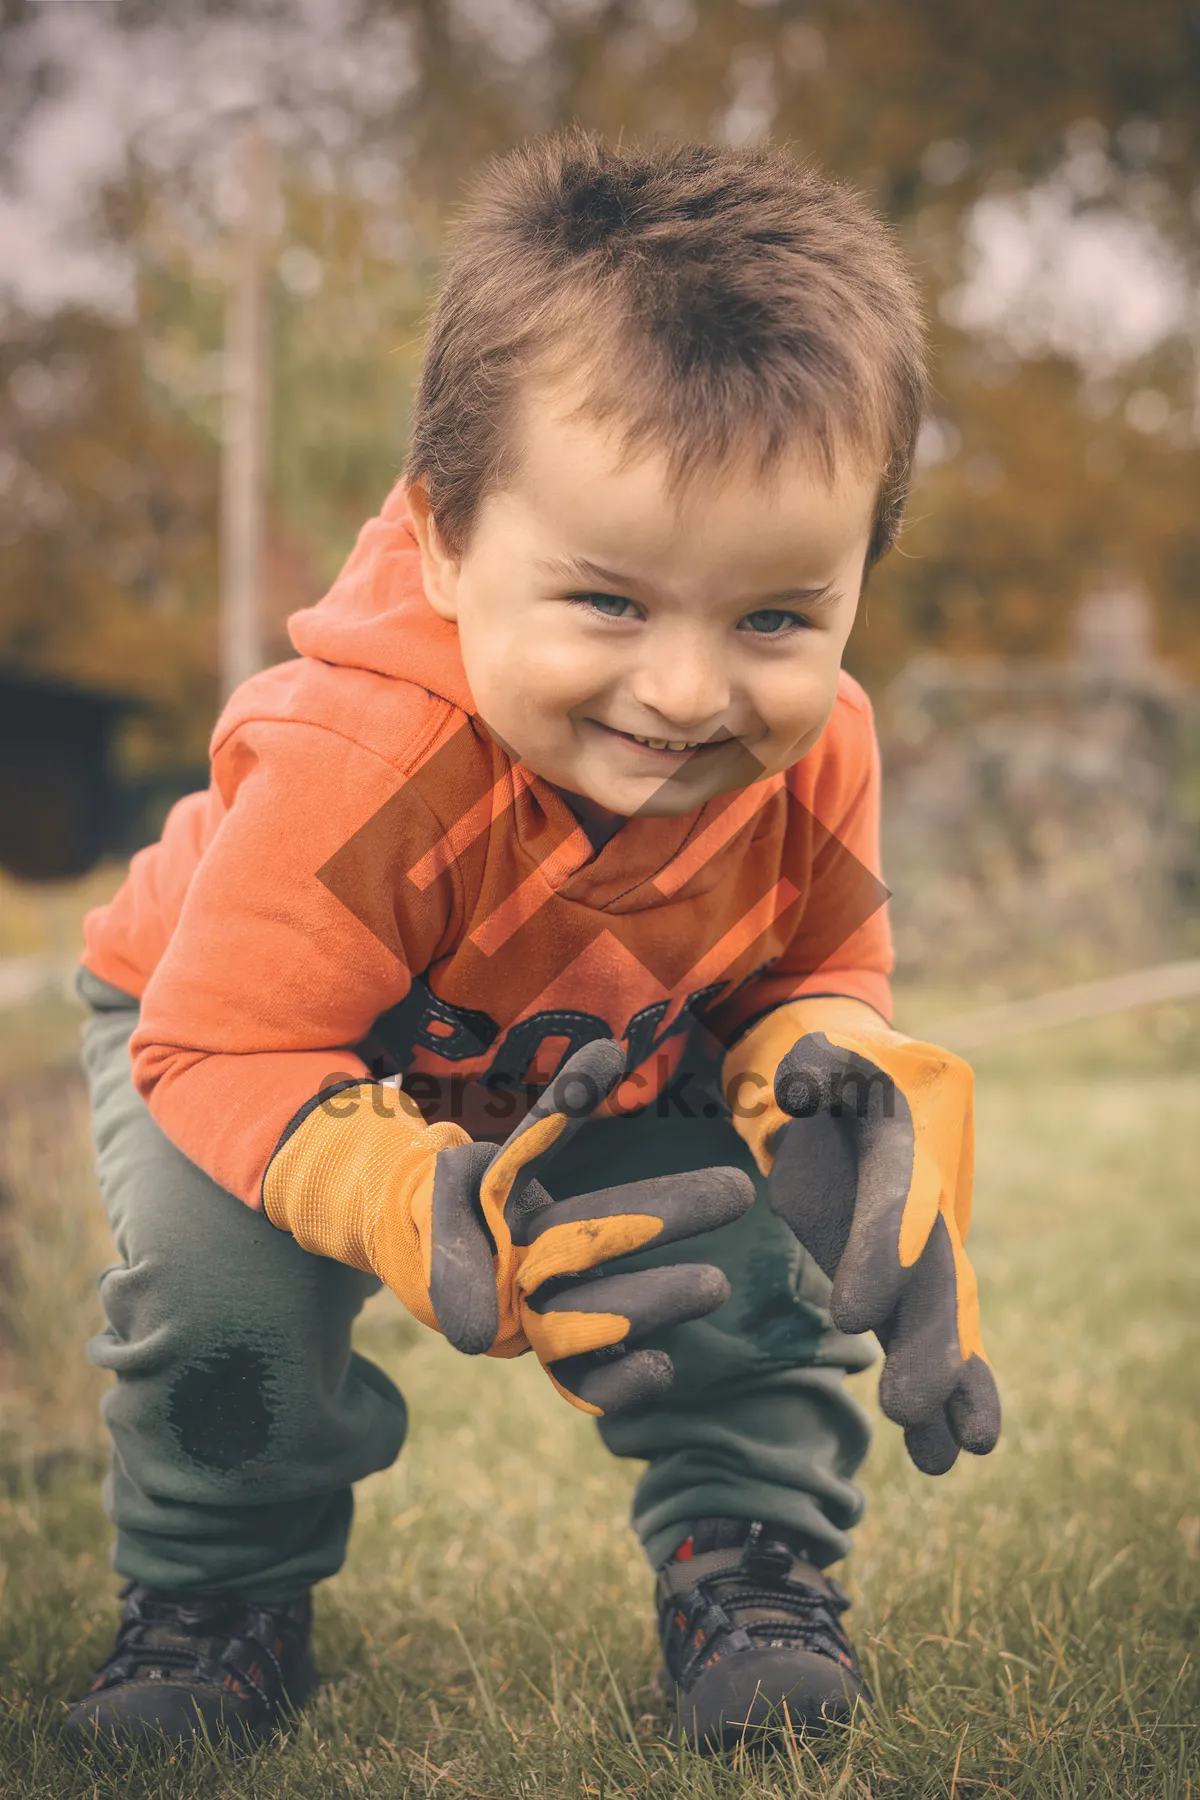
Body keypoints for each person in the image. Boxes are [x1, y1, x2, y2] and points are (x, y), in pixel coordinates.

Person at [66, 131, 999, 1757]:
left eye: (777, 614)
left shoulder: (816, 751)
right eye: (610, 604)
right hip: (246, 1040)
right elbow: (219, 1045)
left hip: (593, 1049)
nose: (693, 694)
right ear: (441, 541)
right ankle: (217, 1599)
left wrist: (830, 1071)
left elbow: (806, 974)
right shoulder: (370, 763)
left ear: (865, 571)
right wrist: (389, 1188)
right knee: (228, 1296)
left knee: (755, 1239)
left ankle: (751, 1562)